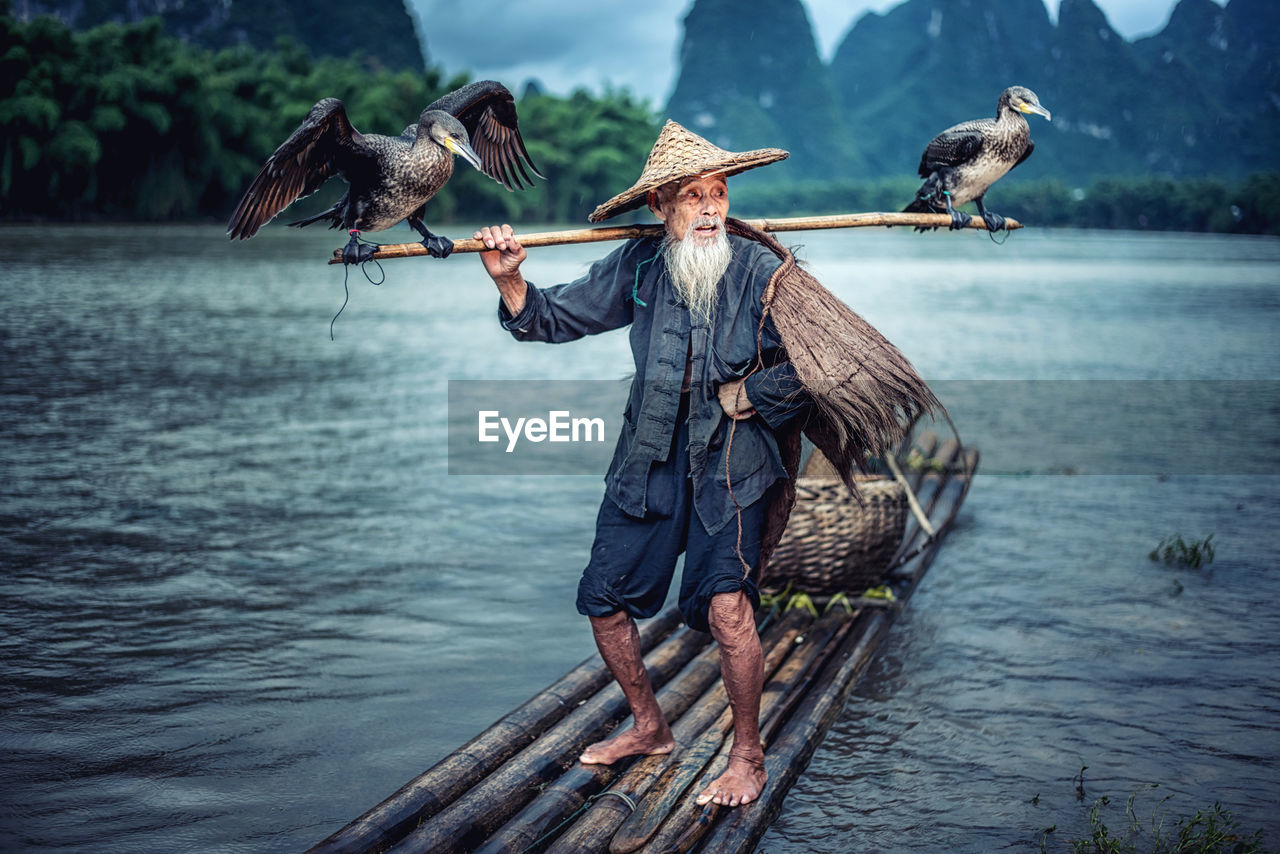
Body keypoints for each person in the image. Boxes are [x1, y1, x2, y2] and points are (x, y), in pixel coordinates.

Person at [474, 121, 811, 808]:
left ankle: (748, 757)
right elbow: (552, 318)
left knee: (728, 609)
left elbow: (819, 369)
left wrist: (755, 391)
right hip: (648, 460)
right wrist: (512, 283)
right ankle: (650, 725)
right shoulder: (638, 268)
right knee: (602, 598)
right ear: (661, 206)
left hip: (731, 463)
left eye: (718, 192)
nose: (712, 208)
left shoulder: (765, 270)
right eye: (694, 196)